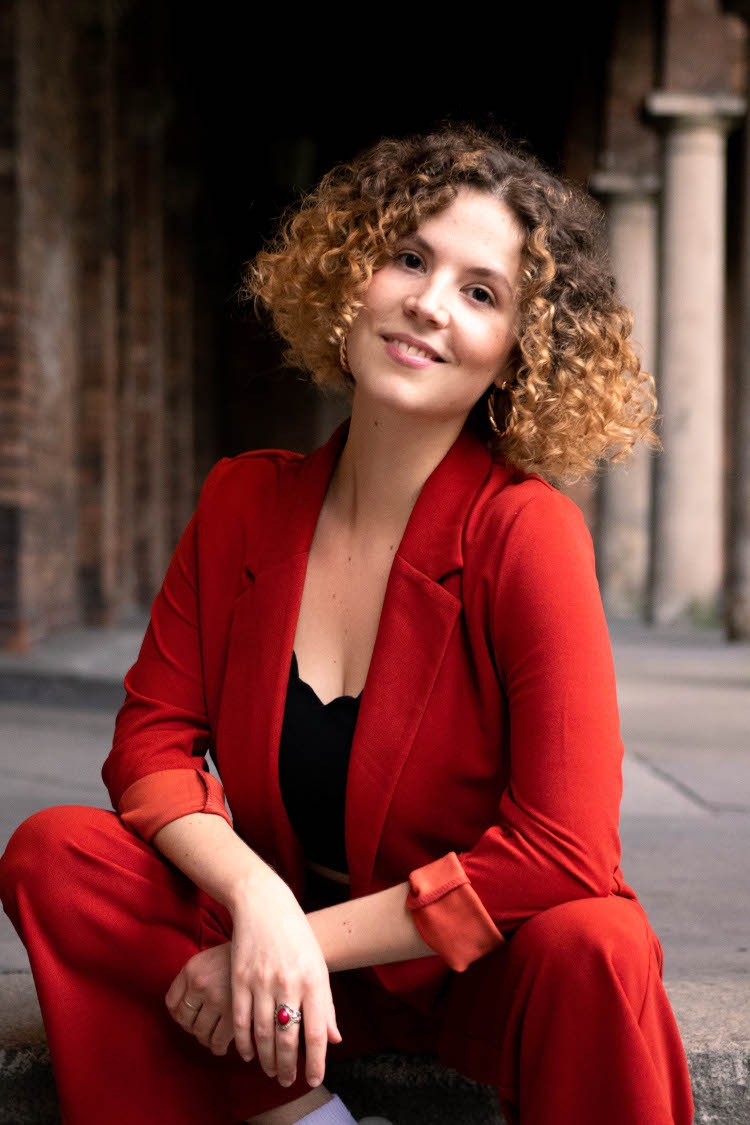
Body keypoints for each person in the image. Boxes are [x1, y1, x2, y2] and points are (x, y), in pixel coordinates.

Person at [0, 123, 695, 1125]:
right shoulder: (245, 502)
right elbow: (150, 747)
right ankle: (297, 1118)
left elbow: (565, 850)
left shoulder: (525, 533)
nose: (427, 303)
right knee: (56, 851)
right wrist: (261, 903)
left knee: (599, 943)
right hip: (276, 959)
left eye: (480, 291)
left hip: (469, 968)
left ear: (517, 355)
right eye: (409, 258)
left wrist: (302, 942)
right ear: (352, 275)